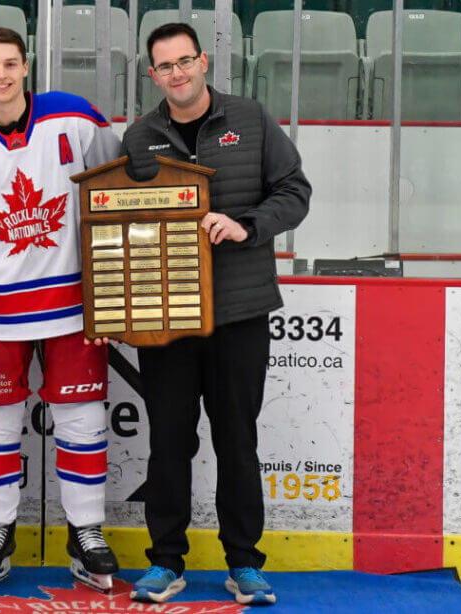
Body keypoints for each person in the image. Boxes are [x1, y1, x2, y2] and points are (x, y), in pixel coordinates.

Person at [119, 23, 310, 606]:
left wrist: (247, 225)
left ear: (204, 61)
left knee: (237, 441)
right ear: (152, 75)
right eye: (164, 66)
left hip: (240, 313)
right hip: (166, 320)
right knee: (169, 443)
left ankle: (245, 564)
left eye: (184, 61)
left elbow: (294, 192)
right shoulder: (139, 137)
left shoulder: (251, 119)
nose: (176, 73)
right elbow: (121, 226)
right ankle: (165, 563)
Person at [0, 27, 122, 591]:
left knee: (83, 421)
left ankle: (86, 532)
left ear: (26, 65)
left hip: (71, 305)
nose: (2, 74)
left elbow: (113, 192)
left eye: (10, 63)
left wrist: (110, 290)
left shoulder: (75, 117)